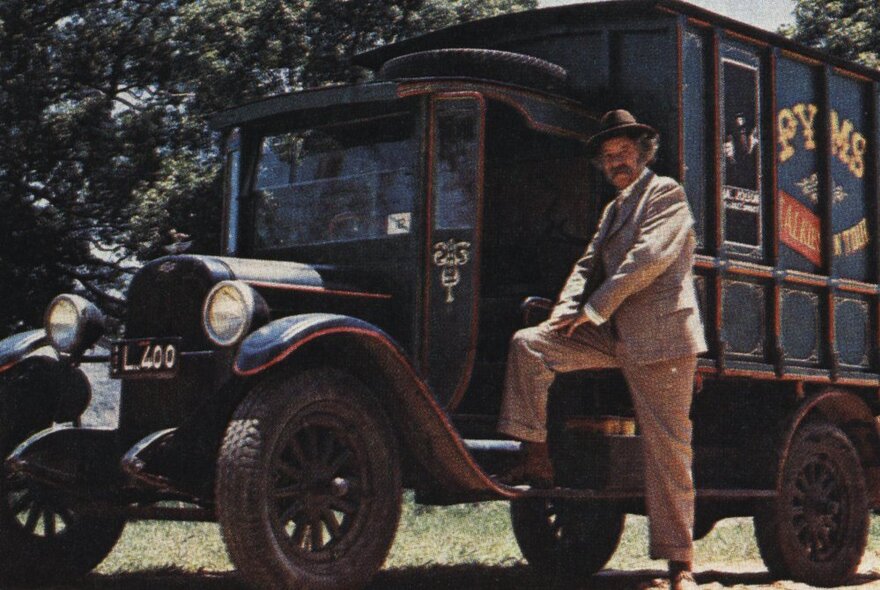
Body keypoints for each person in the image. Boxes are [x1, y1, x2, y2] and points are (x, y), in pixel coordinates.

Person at [496, 110, 706, 590]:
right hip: (613, 333)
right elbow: (586, 264)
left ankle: (680, 565)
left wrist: (591, 311)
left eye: (624, 153)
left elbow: (646, 259)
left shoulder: (667, 193)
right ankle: (536, 456)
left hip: (662, 339)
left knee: (667, 449)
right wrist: (563, 314)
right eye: (608, 157)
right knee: (530, 346)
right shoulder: (613, 210)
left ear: (643, 152)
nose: (617, 162)